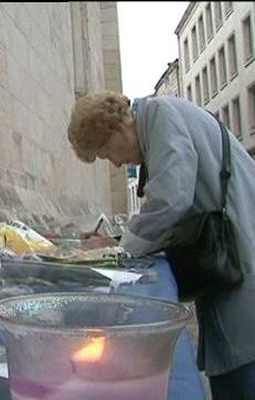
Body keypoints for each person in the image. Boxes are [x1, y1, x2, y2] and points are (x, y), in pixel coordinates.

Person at [67, 91, 255, 400]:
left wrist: (120, 251)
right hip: (232, 254)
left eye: (105, 153)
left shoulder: (160, 115)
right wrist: (120, 242)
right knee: (235, 355)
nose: (115, 163)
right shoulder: (156, 121)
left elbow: (171, 197)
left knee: (244, 363)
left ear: (115, 129)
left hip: (243, 253)